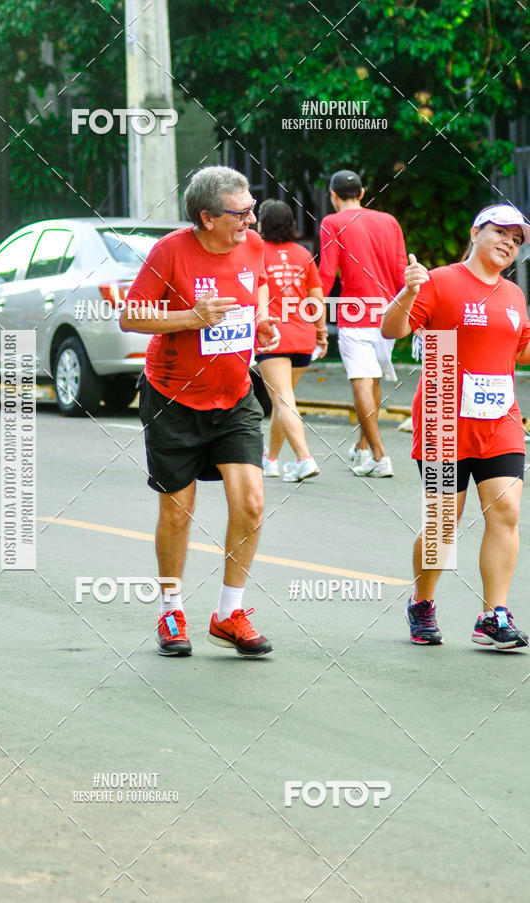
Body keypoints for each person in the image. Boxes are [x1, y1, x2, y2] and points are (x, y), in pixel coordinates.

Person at [119, 165, 280, 657]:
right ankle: (171, 609)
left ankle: (230, 613)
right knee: (178, 509)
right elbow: (131, 315)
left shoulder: (250, 246)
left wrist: (263, 321)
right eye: (241, 212)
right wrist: (191, 318)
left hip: (233, 397)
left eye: (252, 209)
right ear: (207, 217)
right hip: (173, 399)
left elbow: (258, 287)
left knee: (251, 501)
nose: (251, 220)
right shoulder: (169, 252)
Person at [382, 203, 530, 650]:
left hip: (500, 419)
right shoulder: (440, 281)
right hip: (444, 417)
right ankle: (422, 602)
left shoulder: (513, 295)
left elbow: (520, 352)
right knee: (444, 522)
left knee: (506, 512)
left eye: (517, 239)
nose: (509, 242)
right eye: (500, 232)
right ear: (475, 232)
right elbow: (392, 329)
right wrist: (407, 293)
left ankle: (493, 614)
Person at [319, 170, 407, 477]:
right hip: (389, 313)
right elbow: (400, 273)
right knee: (373, 381)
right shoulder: (389, 222)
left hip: (355, 313)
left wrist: (310, 308)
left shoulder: (332, 223)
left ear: (333, 196)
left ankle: (381, 456)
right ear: (363, 192)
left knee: (360, 380)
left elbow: (327, 274)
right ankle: (363, 447)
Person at [255, 199, 327, 482]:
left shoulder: (256, 252)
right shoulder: (303, 253)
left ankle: (304, 459)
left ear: (263, 223)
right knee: (284, 401)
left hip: (272, 338)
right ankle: (270, 460)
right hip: (303, 337)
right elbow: (316, 298)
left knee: (283, 401)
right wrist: (321, 334)